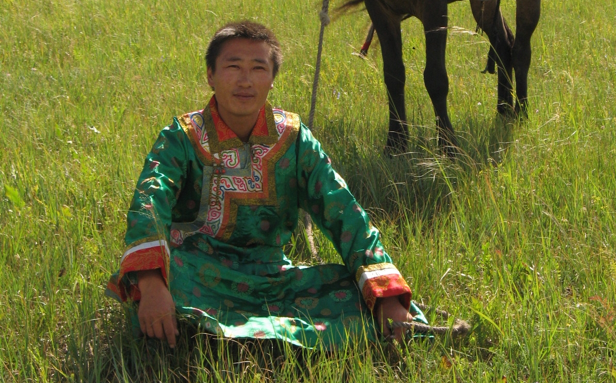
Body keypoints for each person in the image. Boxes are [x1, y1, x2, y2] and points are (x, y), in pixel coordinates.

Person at [107, 21, 427, 349]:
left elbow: (343, 211)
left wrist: (385, 295)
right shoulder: (181, 138)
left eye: (258, 68)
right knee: (163, 280)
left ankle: (221, 336)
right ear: (210, 75)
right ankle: (251, 336)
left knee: (361, 292)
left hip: (271, 277)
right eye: (233, 66)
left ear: (272, 80)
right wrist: (152, 283)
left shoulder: (294, 140)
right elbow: (149, 203)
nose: (245, 81)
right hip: (194, 268)